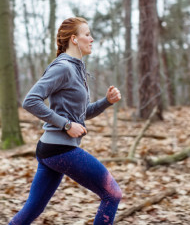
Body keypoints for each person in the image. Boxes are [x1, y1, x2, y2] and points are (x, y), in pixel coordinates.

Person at [9, 17, 122, 225]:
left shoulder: (77, 68)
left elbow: (81, 114)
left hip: (51, 150)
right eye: (87, 34)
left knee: (32, 209)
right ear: (74, 39)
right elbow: (30, 100)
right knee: (112, 194)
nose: (92, 39)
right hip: (60, 149)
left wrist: (106, 102)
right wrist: (66, 125)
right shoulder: (63, 67)